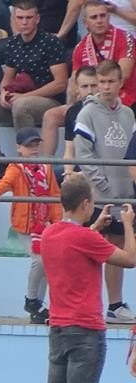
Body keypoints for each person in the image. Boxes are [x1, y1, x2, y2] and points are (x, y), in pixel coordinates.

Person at [38, 173, 136, 383]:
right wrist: (128, 225)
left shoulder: (51, 233)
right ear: (85, 203)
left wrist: (94, 228)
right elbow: (129, 259)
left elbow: (75, 242)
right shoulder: (85, 239)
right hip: (86, 329)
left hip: (58, 326)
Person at [73, 59, 136, 322]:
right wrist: (103, 186)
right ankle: (87, 304)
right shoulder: (86, 113)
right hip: (97, 197)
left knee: (117, 249)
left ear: (121, 83)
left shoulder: (128, 114)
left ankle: (115, 304)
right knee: (94, 248)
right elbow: (84, 156)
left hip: (125, 195)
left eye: (111, 81)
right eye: (102, 82)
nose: (106, 86)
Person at [0, 126, 62, 323]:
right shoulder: (16, 168)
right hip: (25, 225)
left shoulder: (46, 168)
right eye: (29, 146)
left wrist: (57, 222)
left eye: (36, 145)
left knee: (47, 264)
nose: (34, 149)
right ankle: (32, 300)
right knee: (39, 260)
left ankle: (38, 307)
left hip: (44, 224)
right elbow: (5, 183)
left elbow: (54, 196)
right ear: (18, 148)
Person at [0, 0, 69, 130]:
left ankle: (27, 143)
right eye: (20, 18)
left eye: (29, 18)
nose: (24, 22)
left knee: (22, 105)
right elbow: (7, 78)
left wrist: (24, 96)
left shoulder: (51, 42)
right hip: (19, 96)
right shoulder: (13, 43)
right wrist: (4, 94)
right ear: (14, 19)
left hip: (49, 100)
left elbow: (60, 83)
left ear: (37, 19)